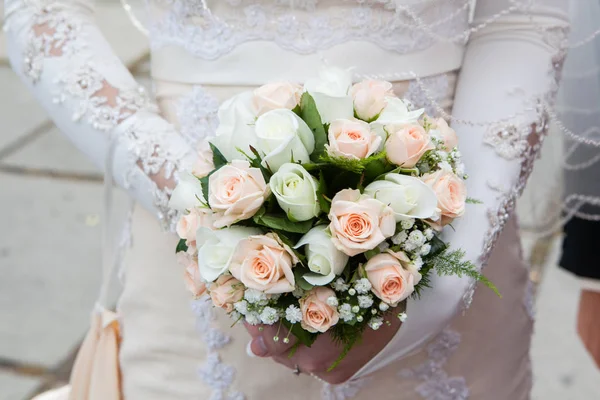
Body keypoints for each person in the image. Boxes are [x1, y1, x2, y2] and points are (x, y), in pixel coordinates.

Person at [4, 0, 570, 399]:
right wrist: (205, 209)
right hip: (188, 251)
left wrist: (447, 278)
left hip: (445, 228)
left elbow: (526, 11)